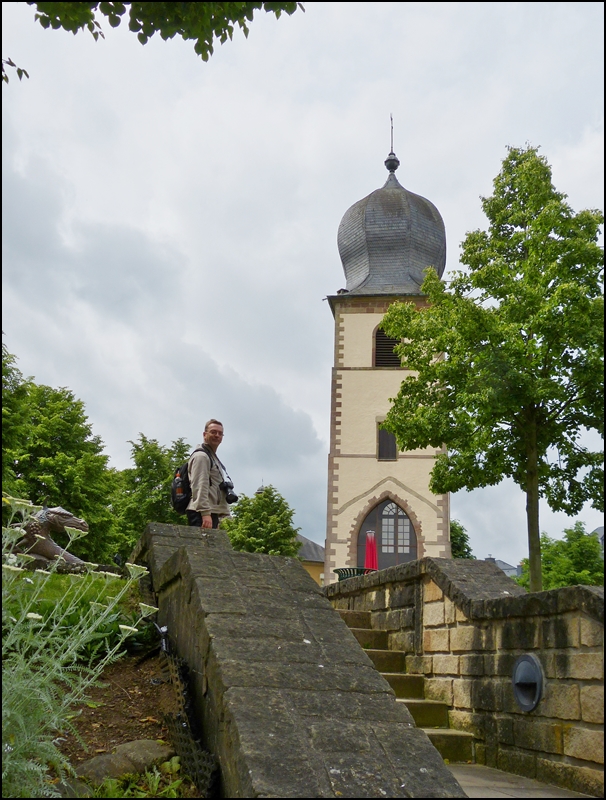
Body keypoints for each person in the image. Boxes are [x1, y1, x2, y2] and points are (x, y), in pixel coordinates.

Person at [186, 419, 231, 529]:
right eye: (213, 432)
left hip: (211, 513)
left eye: (220, 433)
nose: (217, 435)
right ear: (204, 434)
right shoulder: (202, 456)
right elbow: (199, 485)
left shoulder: (211, 457)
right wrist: (205, 513)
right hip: (202, 514)